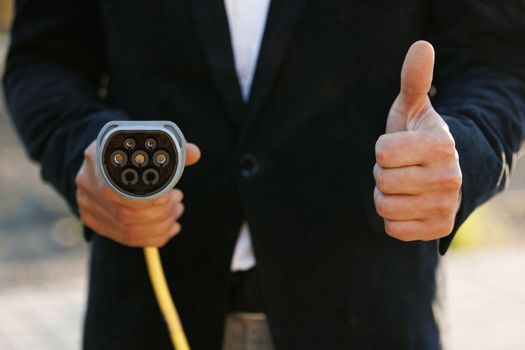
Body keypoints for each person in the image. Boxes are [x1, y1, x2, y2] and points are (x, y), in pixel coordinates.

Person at [3, 0, 525, 349]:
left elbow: (497, 60)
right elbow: (44, 59)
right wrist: (85, 152)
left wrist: (462, 151)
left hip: (368, 312)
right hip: (149, 313)